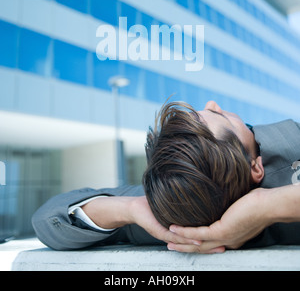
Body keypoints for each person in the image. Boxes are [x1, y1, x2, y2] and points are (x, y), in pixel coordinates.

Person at [32, 100, 300, 253]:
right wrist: (130, 207)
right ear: (256, 168)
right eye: (221, 117)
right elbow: (48, 220)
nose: (212, 103)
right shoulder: (179, 212)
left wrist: (267, 206)